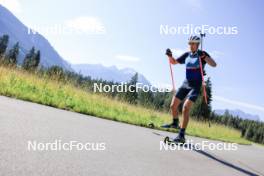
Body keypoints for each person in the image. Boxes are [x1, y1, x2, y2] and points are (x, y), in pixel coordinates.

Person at [162, 35, 217, 143]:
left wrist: (204, 56)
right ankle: (175, 123)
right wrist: (169, 56)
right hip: (185, 84)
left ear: (197, 45)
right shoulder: (187, 55)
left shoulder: (202, 55)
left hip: (196, 85)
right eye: (189, 44)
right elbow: (174, 62)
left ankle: (181, 135)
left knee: (186, 108)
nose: (191, 46)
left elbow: (214, 64)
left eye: (193, 44)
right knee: (173, 106)